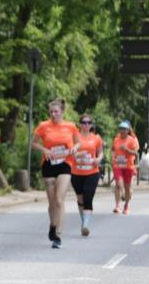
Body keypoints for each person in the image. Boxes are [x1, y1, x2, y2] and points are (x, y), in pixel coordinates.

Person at [32, 99, 80, 249]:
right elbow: (33, 143)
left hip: (65, 163)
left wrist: (74, 149)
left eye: (56, 111)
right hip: (49, 164)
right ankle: (52, 225)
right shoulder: (43, 126)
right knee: (52, 202)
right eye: (51, 112)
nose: (53, 114)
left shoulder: (70, 126)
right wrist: (44, 150)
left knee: (59, 200)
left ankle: (58, 235)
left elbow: (78, 142)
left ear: (62, 112)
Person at [69, 114, 104, 237]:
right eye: (84, 122)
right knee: (80, 199)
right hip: (76, 172)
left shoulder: (96, 138)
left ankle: (85, 226)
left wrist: (98, 159)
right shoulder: (74, 137)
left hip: (92, 172)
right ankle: (84, 221)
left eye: (89, 122)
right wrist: (77, 155)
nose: (86, 125)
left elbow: (100, 153)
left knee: (88, 198)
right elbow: (69, 153)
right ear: (80, 124)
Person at [111, 121, 139, 215]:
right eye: (120, 129)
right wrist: (113, 157)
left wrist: (127, 150)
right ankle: (117, 205)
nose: (122, 131)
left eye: (124, 129)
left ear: (128, 130)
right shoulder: (116, 139)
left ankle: (126, 205)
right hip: (118, 165)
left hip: (128, 166)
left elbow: (136, 153)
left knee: (127, 187)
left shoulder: (132, 140)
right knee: (118, 185)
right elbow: (113, 149)